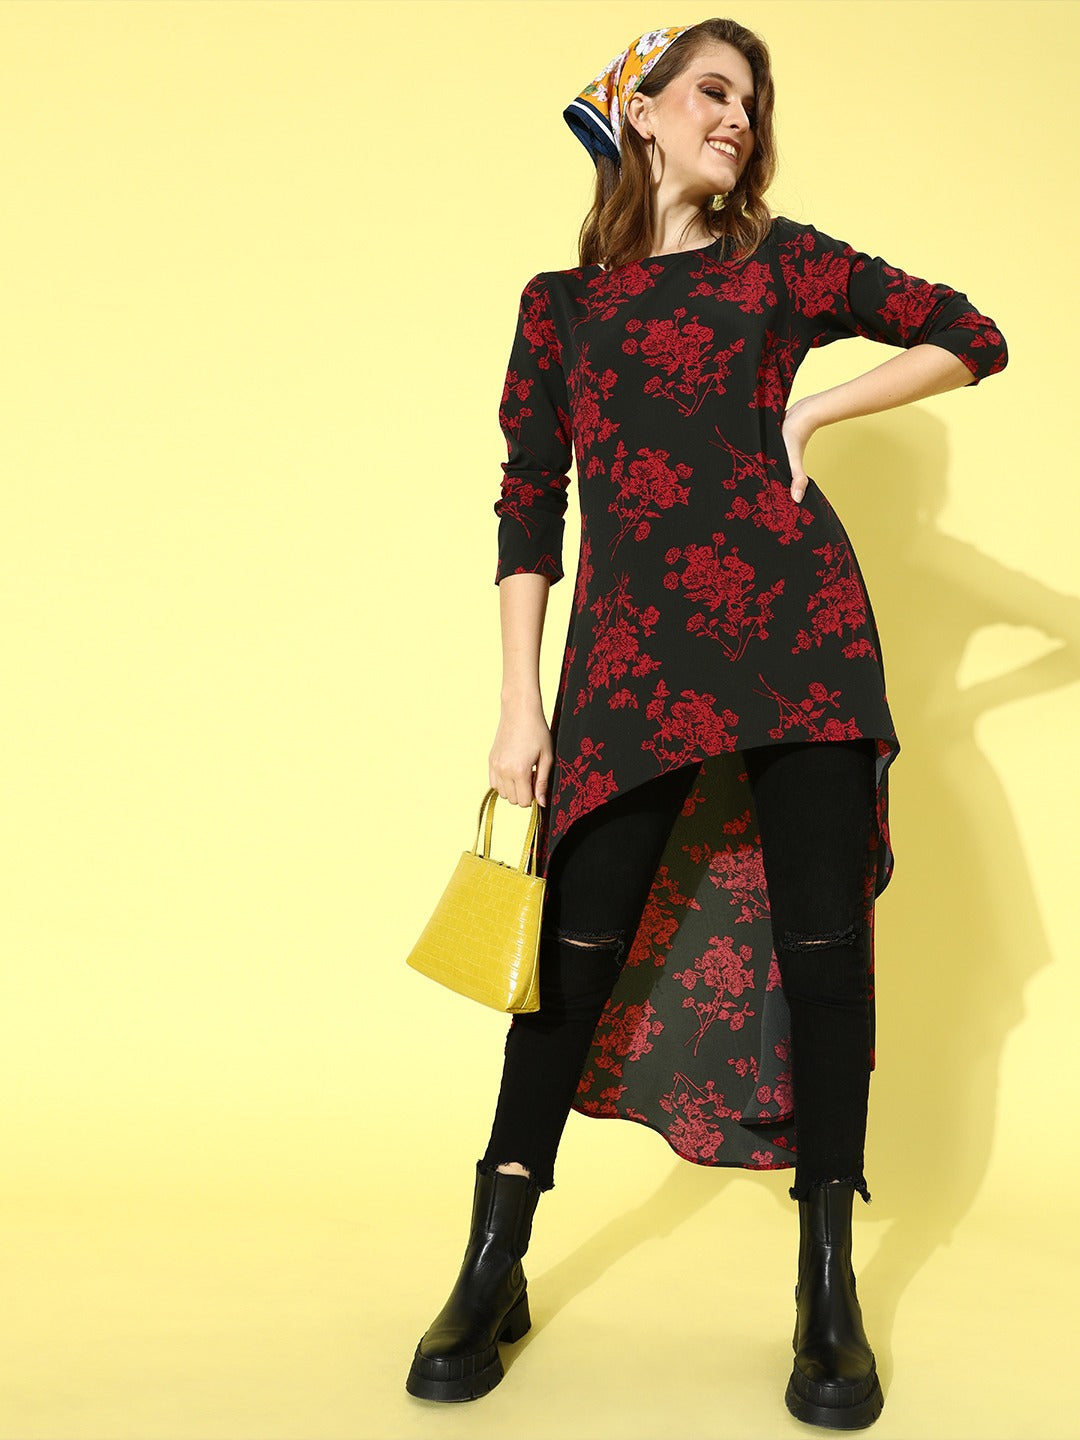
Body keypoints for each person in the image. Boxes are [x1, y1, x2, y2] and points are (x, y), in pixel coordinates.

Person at [404, 16, 1008, 1431]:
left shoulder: (779, 264)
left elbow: (972, 334)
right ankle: (494, 1261)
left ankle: (825, 1292)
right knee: (570, 958)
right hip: (632, 666)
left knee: (825, 953)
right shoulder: (559, 305)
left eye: (754, 101)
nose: (738, 117)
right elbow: (527, 503)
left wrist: (815, 414)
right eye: (713, 91)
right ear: (644, 110)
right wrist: (518, 705)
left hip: (801, 641)